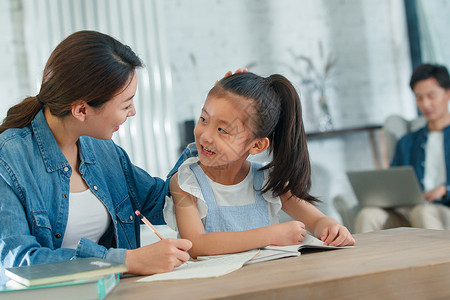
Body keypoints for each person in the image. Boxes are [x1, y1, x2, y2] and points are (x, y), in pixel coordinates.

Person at [0, 30, 192, 283]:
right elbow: (21, 262)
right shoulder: (9, 159)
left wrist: (218, 126)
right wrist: (126, 261)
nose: (132, 112)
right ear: (81, 109)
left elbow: (161, 201)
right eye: (125, 104)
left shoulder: (101, 150)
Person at [164, 72, 355, 258]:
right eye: (204, 119)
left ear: (256, 145)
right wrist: (272, 235)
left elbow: (317, 220)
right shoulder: (186, 182)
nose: (205, 136)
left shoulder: (267, 180)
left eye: (222, 130)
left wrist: (331, 228)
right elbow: (196, 244)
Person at [354, 63, 450, 233]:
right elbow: (393, 183)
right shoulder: (407, 142)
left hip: (441, 210)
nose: (425, 104)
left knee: (423, 211)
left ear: (447, 93)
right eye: (419, 97)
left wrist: (445, 189)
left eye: (431, 96)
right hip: (409, 210)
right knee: (368, 215)